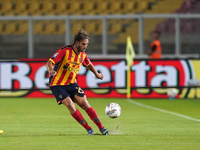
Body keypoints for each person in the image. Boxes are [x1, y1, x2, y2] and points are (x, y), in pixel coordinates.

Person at [46, 29, 110, 135]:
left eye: (86, 44)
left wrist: (97, 74)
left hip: (72, 83)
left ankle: (102, 128)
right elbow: (49, 62)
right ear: (76, 42)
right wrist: (50, 70)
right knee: (70, 105)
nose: (85, 46)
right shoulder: (65, 50)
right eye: (83, 44)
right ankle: (89, 128)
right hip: (57, 84)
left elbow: (88, 64)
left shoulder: (82, 55)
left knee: (84, 103)